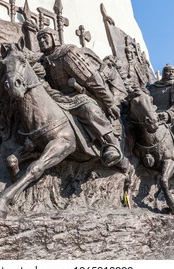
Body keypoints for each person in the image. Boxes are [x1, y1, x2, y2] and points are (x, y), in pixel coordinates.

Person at [36, 27, 123, 167]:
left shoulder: (67, 53)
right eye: (39, 39)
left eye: (45, 37)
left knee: (89, 109)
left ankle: (110, 144)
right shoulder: (42, 61)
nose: (41, 41)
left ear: (54, 37)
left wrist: (109, 103)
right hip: (56, 98)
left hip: (78, 95)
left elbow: (92, 80)